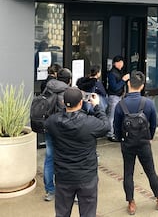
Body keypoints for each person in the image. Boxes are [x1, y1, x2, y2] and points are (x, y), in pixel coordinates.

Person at [46, 87, 111, 217]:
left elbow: (43, 122)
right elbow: (106, 126)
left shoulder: (53, 122)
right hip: (86, 176)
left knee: (62, 213)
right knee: (88, 213)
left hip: (63, 176)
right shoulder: (89, 123)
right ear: (81, 103)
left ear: (63, 102)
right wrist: (97, 106)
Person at [113, 71, 158, 215]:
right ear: (142, 86)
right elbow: (154, 124)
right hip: (144, 143)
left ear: (128, 84)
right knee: (150, 171)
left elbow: (116, 126)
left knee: (128, 173)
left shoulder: (121, 105)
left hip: (127, 144)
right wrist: (150, 137)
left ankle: (131, 203)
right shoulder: (148, 103)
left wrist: (121, 139)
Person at [43, 68, 72, 201]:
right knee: (68, 159)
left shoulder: (48, 87)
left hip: (49, 127)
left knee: (49, 158)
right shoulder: (67, 92)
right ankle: (68, 190)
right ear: (69, 80)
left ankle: (50, 191)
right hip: (62, 130)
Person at [107, 55, 130, 142]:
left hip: (121, 96)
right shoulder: (112, 73)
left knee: (122, 114)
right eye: (118, 62)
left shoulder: (120, 71)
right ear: (114, 63)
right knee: (112, 115)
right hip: (114, 97)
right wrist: (123, 80)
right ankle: (110, 134)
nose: (120, 64)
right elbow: (114, 87)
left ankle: (119, 132)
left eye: (121, 62)